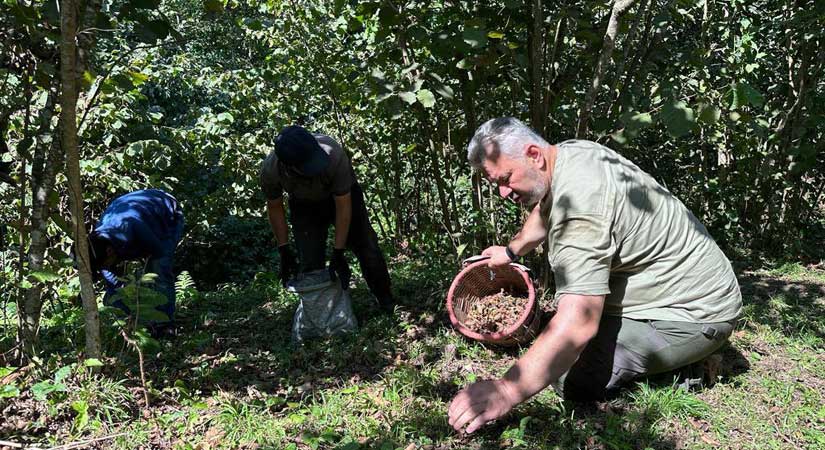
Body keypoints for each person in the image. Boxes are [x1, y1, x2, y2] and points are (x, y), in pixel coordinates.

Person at [447, 117, 742, 434]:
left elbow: (577, 324)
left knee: (568, 377)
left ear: (533, 154)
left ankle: (688, 368)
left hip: (694, 314)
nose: (503, 192)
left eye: (506, 178)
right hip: (678, 284)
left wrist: (505, 390)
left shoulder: (579, 214)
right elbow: (544, 212)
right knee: (551, 343)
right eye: (497, 185)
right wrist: (510, 252)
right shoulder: (570, 155)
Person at [260, 125, 394, 312]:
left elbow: (343, 205)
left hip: (342, 197)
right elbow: (274, 207)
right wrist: (283, 249)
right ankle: (321, 313)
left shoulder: (334, 155)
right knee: (309, 260)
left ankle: (385, 298)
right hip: (304, 204)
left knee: (365, 245)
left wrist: (338, 251)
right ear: (289, 167)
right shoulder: (271, 170)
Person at [89, 189, 184, 331]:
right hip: (136, 213)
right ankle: (125, 323)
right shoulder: (99, 241)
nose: (104, 266)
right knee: (111, 281)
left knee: (159, 269)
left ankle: (164, 324)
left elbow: (157, 252)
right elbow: (111, 280)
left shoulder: (135, 228)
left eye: (103, 263)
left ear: (110, 252)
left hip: (167, 212)